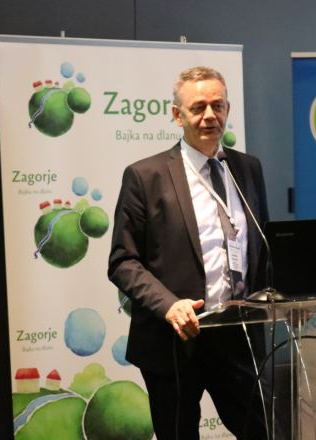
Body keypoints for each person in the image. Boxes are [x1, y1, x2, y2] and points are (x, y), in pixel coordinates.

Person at [108, 66, 269, 439]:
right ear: (177, 115)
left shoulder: (247, 169)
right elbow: (123, 261)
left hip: (236, 335)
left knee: (262, 431)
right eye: (198, 107)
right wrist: (169, 306)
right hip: (175, 339)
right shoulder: (146, 176)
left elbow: (259, 248)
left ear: (228, 109)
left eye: (217, 105)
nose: (210, 115)